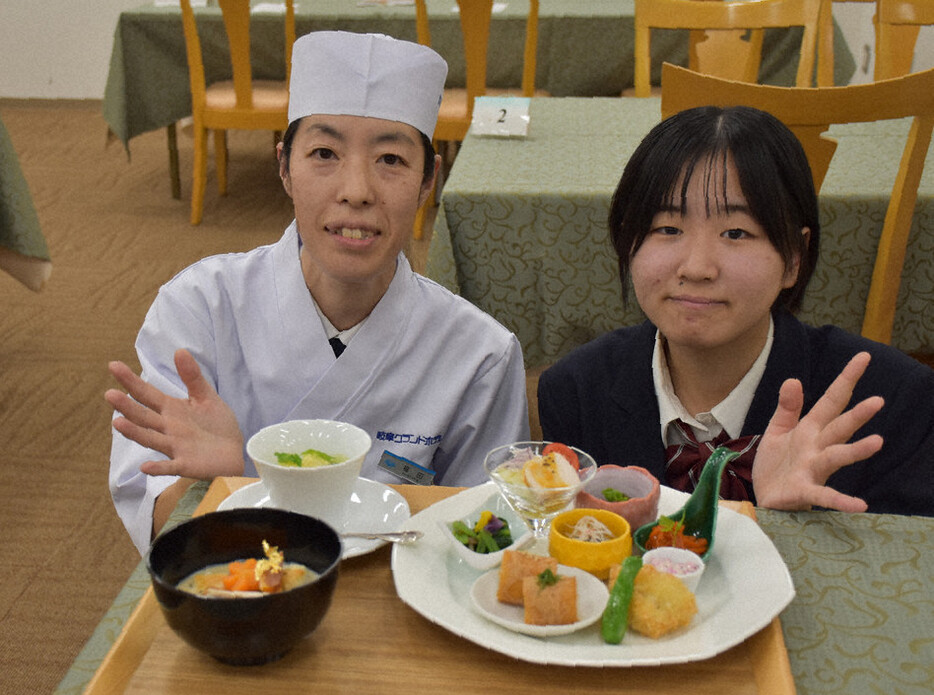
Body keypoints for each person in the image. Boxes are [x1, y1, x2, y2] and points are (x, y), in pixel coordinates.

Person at [107, 31, 530, 553]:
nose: (356, 190)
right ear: (284, 165)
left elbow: (489, 539)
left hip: (402, 610)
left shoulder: (479, 354)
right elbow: (158, 530)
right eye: (324, 153)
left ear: (428, 181)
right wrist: (215, 487)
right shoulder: (199, 310)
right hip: (237, 596)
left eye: (391, 160)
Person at [538, 105, 934, 516]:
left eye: (736, 233)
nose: (697, 268)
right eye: (668, 229)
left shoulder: (891, 402)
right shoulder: (576, 393)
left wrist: (787, 525)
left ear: (794, 259)